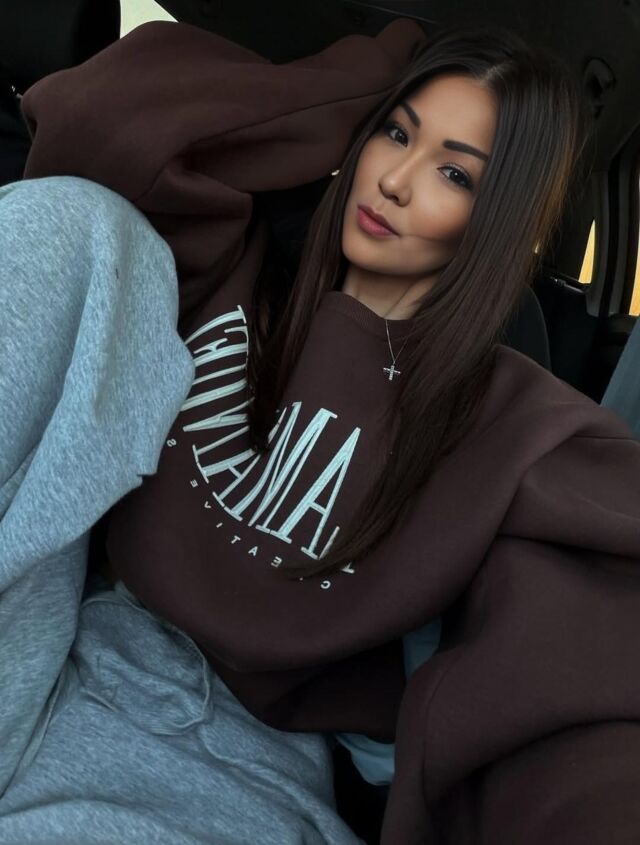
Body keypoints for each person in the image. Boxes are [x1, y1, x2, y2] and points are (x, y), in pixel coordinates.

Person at [2, 16, 640, 844]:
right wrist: (358, 83)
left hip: (222, 766)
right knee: (79, 219)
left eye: (453, 172)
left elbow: (587, 676)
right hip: (49, 641)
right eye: (396, 134)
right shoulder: (234, 269)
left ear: (499, 215)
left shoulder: (512, 423)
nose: (396, 181)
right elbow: (96, 119)